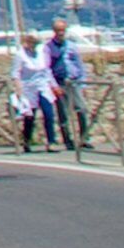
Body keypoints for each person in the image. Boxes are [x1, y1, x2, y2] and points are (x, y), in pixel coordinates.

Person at [45, 18, 90, 150]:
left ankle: (84, 138)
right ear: (54, 31)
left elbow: (79, 64)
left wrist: (83, 82)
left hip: (74, 81)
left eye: (63, 30)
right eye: (58, 30)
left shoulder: (71, 46)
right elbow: (47, 68)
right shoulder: (49, 47)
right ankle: (67, 140)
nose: (61, 33)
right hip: (60, 82)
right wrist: (54, 85)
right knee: (63, 113)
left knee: (81, 109)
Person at [9, 34, 58, 153]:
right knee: (30, 117)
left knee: (48, 113)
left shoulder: (42, 52)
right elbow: (15, 74)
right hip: (28, 88)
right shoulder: (20, 55)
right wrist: (19, 90)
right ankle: (27, 140)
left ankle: (51, 142)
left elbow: (47, 70)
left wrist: (54, 85)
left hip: (42, 86)